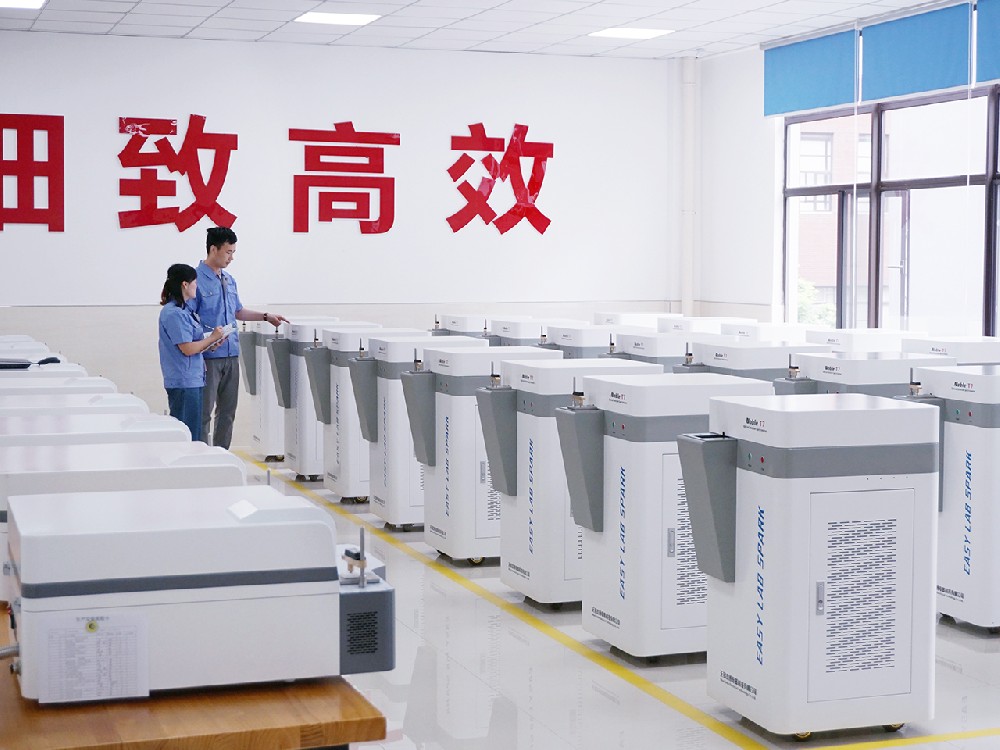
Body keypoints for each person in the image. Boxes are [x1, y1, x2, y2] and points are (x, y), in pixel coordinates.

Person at [190, 226, 288, 449]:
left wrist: (265, 316)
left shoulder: (229, 280)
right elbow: (190, 318)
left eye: (233, 252)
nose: (231, 258)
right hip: (208, 357)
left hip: (232, 354)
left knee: (227, 412)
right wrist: (205, 341)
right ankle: (200, 456)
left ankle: (221, 455)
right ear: (213, 249)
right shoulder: (195, 280)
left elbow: (238, 311)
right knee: (204, 413)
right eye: (228, 252)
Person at [158, 264, 225, 441]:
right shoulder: (174, 314)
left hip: (193, 379)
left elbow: (194, 343)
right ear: (185, 284)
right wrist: (212, 338)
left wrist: (211, 344)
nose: (197, 286)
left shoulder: (185, 310)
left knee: (194, 432)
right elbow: (187, 349)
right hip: (183, 382)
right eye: (195, 282)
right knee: (187, 436)